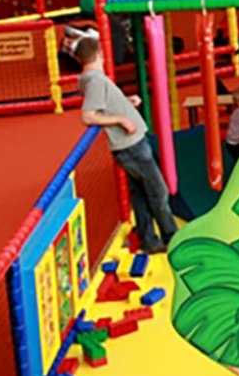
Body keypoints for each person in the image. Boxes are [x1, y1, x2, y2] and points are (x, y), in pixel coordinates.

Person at [76, 37, 177, 254]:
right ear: (99, 54)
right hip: (131, 145)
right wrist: (121, 119)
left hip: (128, 146)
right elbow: (88, 115)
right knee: (157, 190)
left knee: (140, 193)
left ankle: (148, 238)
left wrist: (124, 103)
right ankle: (171, 236)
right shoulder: (96, 80)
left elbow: (103, 105)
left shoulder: (89, 79)